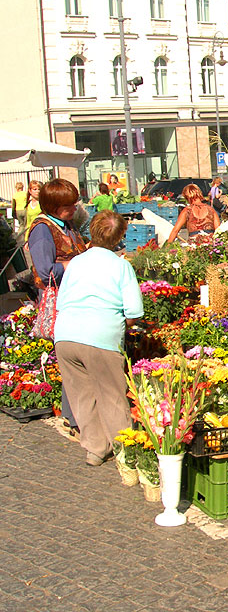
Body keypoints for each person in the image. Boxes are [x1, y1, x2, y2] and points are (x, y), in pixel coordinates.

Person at [54, 210, 143, 466]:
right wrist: (121, 324)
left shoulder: (75, 263)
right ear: (119, 237)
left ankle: (95, 449)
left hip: (66, 335)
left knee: (81, 395)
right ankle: (124, 451)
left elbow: (61, 302)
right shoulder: (121, 266)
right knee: (111, 394)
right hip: (101, 336)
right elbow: (134, 311)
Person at [27, 178, 88, 433]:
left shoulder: (66, 225)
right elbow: (45, 271)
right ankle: (73, 417)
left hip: (74, 298)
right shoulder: (42, 230)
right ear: (54, 206)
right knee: (72, 358)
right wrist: (73, 264)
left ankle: (77, 414)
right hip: (59, 301)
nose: (74, 208)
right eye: (68, 205)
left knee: (79, 356)